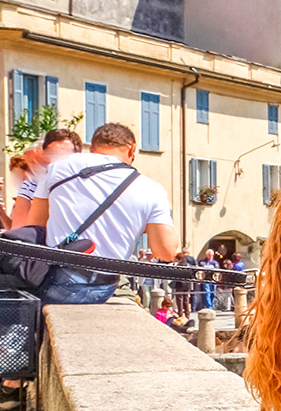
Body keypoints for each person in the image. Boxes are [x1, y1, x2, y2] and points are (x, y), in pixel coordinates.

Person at [28, 123, 178, 305]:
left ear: (92, 148)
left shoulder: (59, 166)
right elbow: (166, 251)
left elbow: (35, 223)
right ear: (131, 149)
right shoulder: (152, 189)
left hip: (57, 280)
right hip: (103, 286)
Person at [10, 128, 83, 230]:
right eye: (53, 154)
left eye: (65, 153)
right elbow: (19, 227)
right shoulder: (30, 185)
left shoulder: (88, 183)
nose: (58, 159)